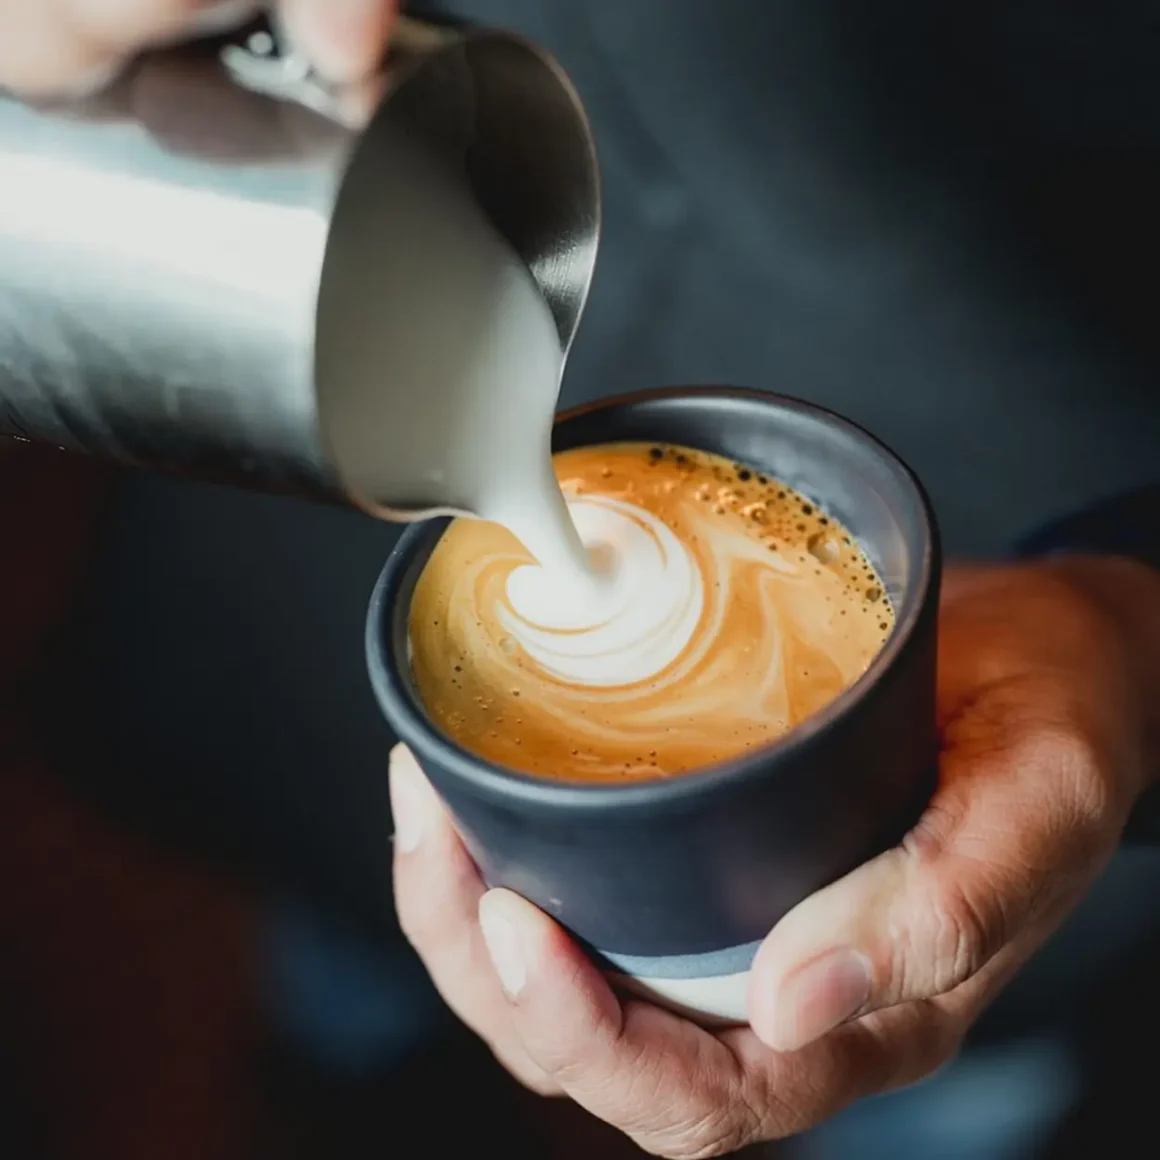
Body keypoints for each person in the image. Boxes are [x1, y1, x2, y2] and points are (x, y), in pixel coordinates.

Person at [4, 3, 1160, 1158]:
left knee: (928, 1080)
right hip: (300, 492)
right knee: (351, 940)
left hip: (1019, 744)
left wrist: (1127, 616)